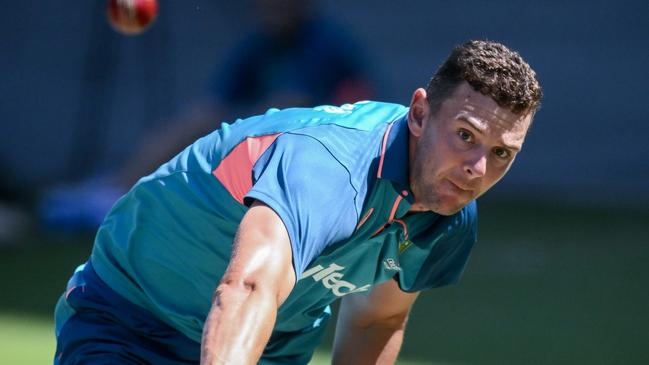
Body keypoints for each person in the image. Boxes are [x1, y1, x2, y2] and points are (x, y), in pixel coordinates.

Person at [54, 40, 542, 364]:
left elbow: (377, 316)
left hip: (269, 350)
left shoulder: (450, 214)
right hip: (132, 317)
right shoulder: (329, 165)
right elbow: (248, 288)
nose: (478, 169)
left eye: (501, 153)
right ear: (419, 113)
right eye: (465, 135)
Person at [40, 0, 373, 231]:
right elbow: (213, 106)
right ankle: (115, 190)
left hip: (334, 162)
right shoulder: (258, 43)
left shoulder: (325, 42)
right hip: (284, 153)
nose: (274, 7)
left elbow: (291, 108)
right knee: (202, 117)